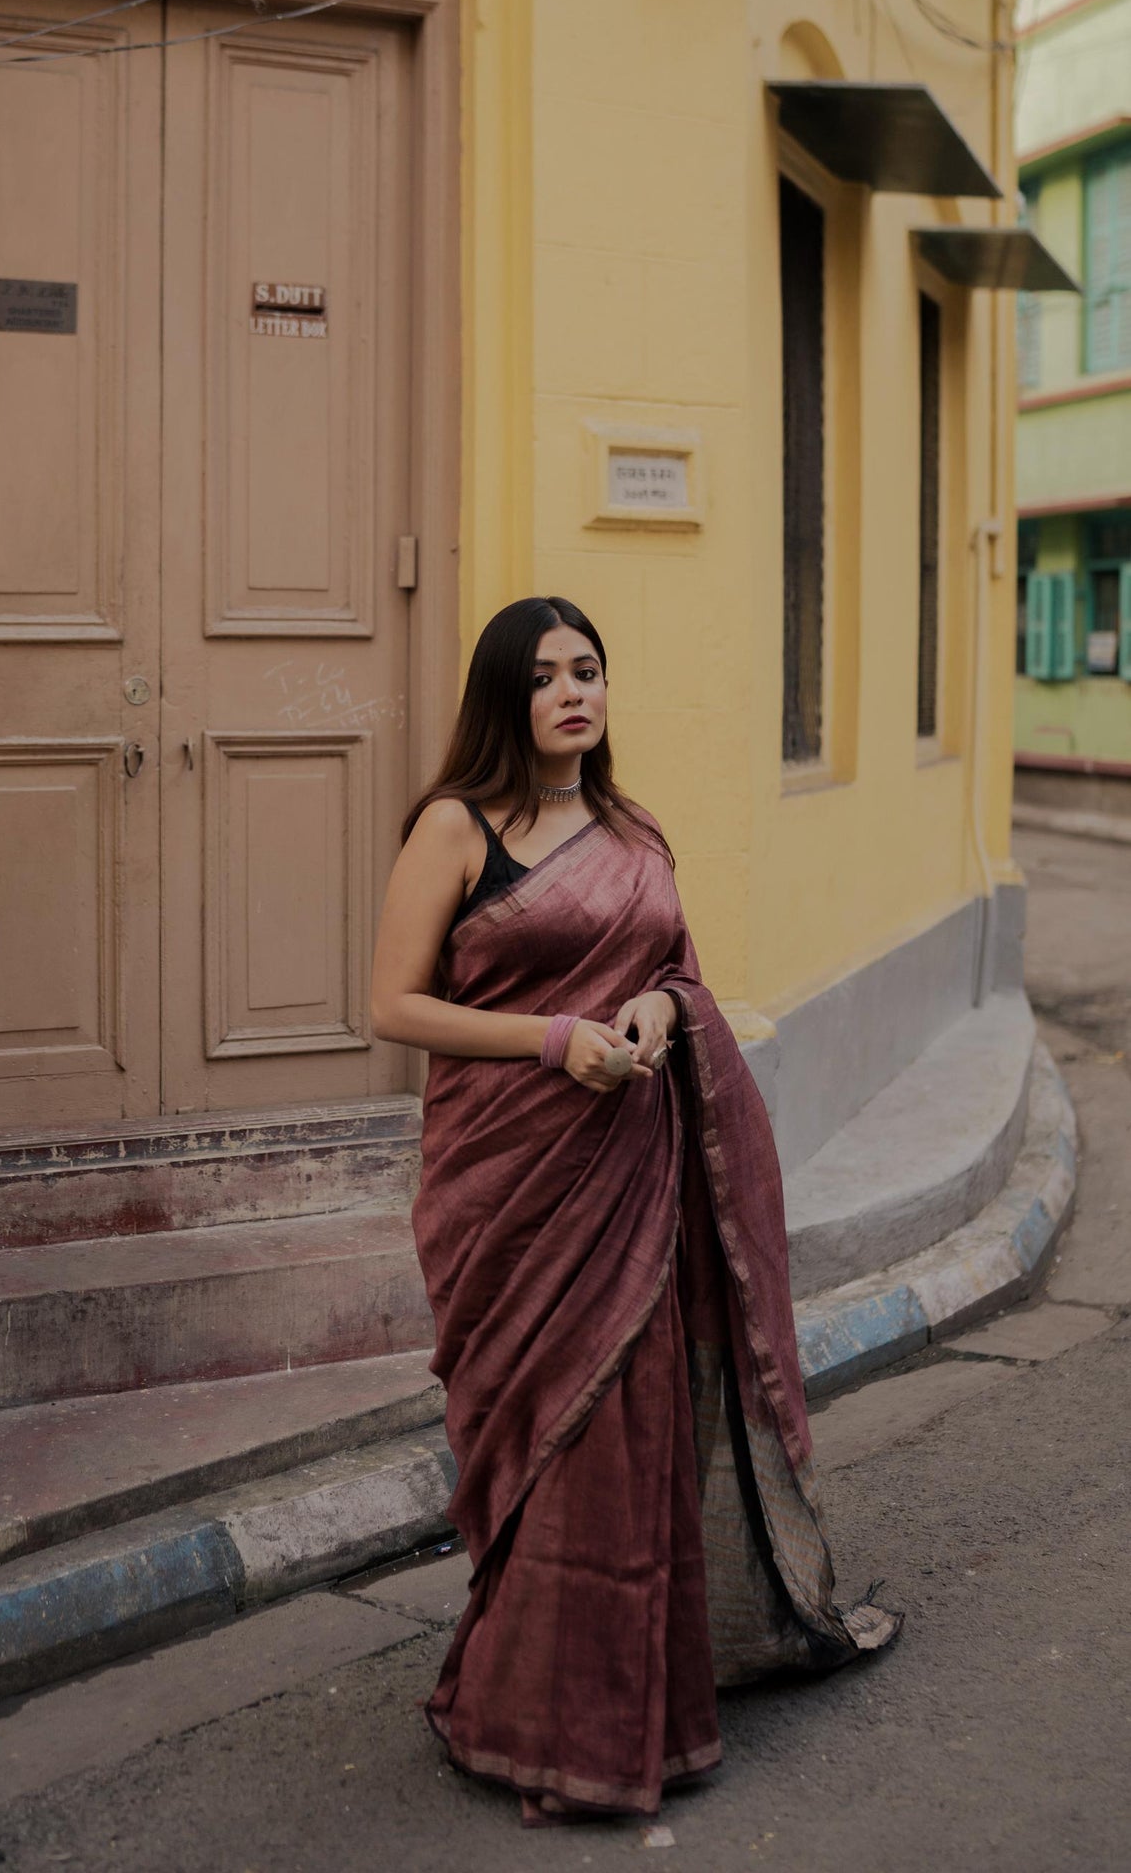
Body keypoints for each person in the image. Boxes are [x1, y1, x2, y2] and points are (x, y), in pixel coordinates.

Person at [370, 596, 899, 1827]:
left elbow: (672, 969)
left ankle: (629, 1720)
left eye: (590, 670)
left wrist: (659, 1014)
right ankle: (527, 1720)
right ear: (505, 692)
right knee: (544, 1445)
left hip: (631, 1175)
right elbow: (392, 1004)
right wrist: (555, 1039)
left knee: (626, 1438)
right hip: (509, 1188)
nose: (574, 691)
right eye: (548, 673)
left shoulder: (630, 826)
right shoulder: (454, 827)